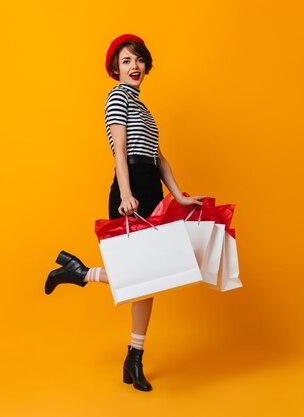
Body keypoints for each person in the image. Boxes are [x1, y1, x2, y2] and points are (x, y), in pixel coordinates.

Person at [44, 34, 202, 392]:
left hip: (150, 184)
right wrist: (126, 193)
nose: (134, 66)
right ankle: (81, 273)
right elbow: (119, 149)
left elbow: (159, 157)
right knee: (145, 272)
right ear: (115, 69)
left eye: (139, 60)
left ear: (146, 65)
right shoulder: (117, 97)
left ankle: (134, 355)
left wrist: (179, 195)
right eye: (126, 61)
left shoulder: (144, 107)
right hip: (130, 184)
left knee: (151, 278)